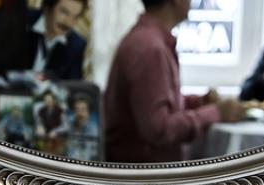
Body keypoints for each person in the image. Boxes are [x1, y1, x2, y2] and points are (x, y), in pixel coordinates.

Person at [104, 0, 244, 163]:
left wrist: (199, 102)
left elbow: (154, 105)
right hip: (144, 174)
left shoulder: (148, 40)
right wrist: (215, 113)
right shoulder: (150, 49)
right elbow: (159, 129)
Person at [23, 0, 88, 80]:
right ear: (48, 7)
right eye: (64, 12)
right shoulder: (21, 21)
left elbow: (72, 84)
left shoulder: (76, 46)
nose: (68, 23)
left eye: (75, 17)